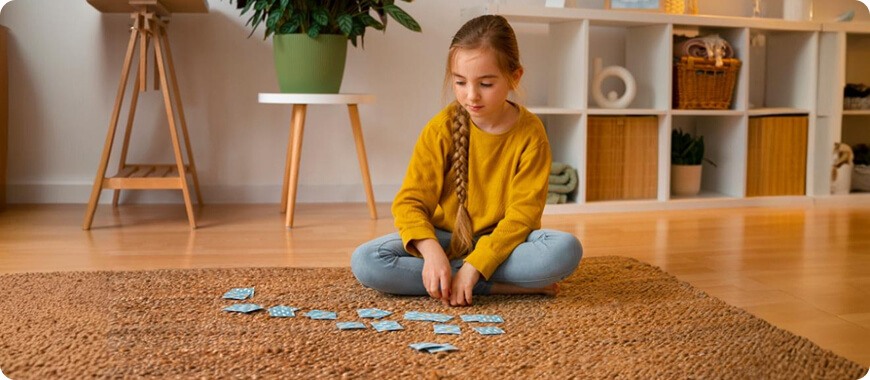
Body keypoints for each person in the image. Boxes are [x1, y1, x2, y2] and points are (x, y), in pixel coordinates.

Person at [351, 15, 582, 307]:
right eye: (460, 82)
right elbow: (409, 203)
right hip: (445, 238)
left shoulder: (531, 133)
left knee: (565, 249)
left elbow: (523, 216)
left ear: (515, 77)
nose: (471, 95)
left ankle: (464, 278)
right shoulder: (441, 128)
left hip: (504, 244)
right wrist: (431, 252)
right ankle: (495, 286)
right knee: (366, 261)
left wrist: (476, 264)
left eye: (485, 83)